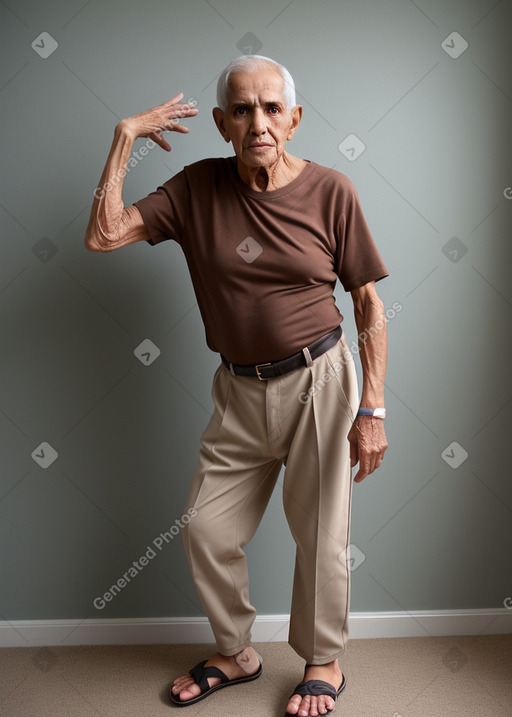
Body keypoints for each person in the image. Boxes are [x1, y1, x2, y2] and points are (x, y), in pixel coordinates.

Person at [85, 54, 389, 717]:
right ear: (222, 123)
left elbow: (367, 303)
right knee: (205, 527)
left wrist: (374, 406)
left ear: (295, 118)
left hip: (322, 377)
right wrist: (124, 137)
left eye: (273, 108)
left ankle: (322, 658)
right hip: (239, 388)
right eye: (243, 110)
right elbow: (104, 234)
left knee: (322, 530)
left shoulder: (333, 191)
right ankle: (237, 650)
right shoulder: (196, 189)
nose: (260, 122)